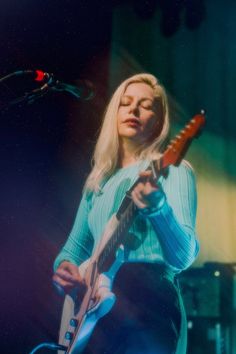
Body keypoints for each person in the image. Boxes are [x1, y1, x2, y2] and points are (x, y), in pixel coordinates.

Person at [52, 73, 199, 354]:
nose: (133, 110)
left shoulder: (173, 169)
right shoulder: (98, 183)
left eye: (145, 105)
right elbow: (74, 249)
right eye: (125, 102)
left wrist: (159, 209)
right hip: (95, 309)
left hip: (149, 300)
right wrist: (64, 270)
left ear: (159, 120)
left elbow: (183, 256)